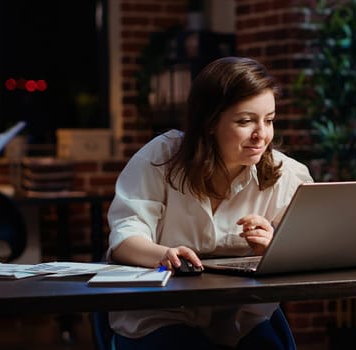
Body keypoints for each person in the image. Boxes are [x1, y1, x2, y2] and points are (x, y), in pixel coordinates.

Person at [106, 56, 313, 349]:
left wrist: (277, 247)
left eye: (269, 120)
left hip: (241, 318)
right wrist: (163, 254)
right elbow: (125, 239)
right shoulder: (159, 158)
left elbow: (312, 253)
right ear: (210, 122)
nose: (261, 134)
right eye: (245, 121)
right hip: (161, 314)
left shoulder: (289, 175)